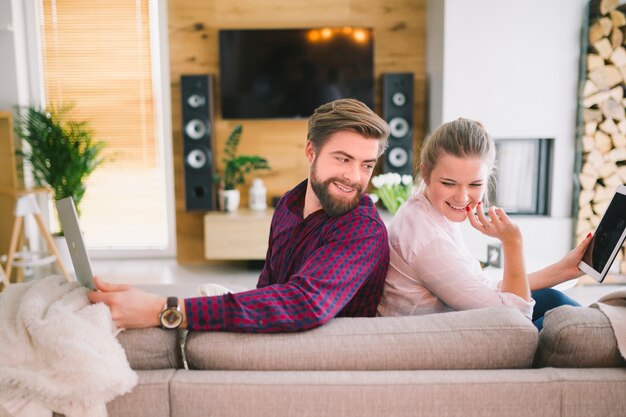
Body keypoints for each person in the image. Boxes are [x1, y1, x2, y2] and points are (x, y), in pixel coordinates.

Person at [88, 98, 391, 332]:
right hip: (277, 336)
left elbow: (304, 303)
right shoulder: (289, 204)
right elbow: (267, 290)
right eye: (343, 159)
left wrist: (165, 309)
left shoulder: (362, 229)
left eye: (367, 164)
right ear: (311, 151)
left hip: (321, 349)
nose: (354, 176)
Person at [376, 118, 591, 330]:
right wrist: (512, 242)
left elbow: (484, 288)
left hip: (452, 324)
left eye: (475, 184)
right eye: (449, 183)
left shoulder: (430, 211)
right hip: (427, 342)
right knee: (566, 326)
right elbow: (515, 322)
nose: (462, 197)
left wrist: (563, 270)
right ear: (425, 172)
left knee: (552, 299)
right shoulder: (427, 240)